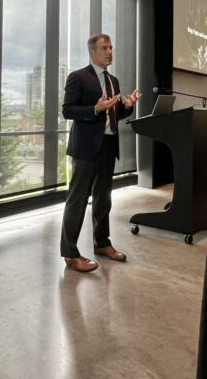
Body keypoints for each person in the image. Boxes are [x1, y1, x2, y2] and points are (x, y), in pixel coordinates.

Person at [59, 33, 141, 273]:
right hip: (86, 148)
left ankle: (102, 243)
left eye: (111, 47)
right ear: (92, 52)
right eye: (104, 48)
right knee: (77, 200)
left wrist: (127, 106)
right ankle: (70, 254)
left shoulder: (113, 81)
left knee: (103, 199)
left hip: (108, 146)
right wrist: (95, 109)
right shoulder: (78, 77)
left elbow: (114, 115)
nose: (109, 52)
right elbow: (67, 111)